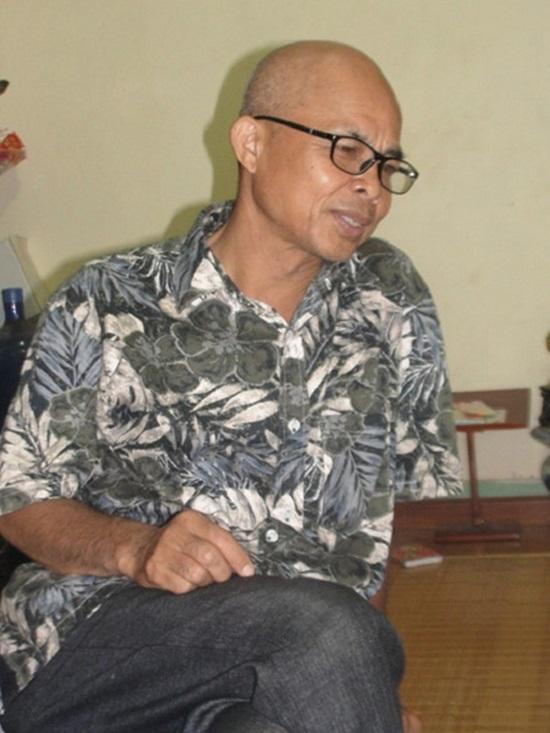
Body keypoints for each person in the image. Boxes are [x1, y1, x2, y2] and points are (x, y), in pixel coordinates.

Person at [0, 40, 461, 732]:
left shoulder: (389, 297)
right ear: (251, 143)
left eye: (386, 164)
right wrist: (137, 548)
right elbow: (18, 502)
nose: (371, 186)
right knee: (325, 632)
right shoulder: (108, 299)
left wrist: (362, 685)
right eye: (347, 150)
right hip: (95, 644)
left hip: (284, 662)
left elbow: (371, 538)